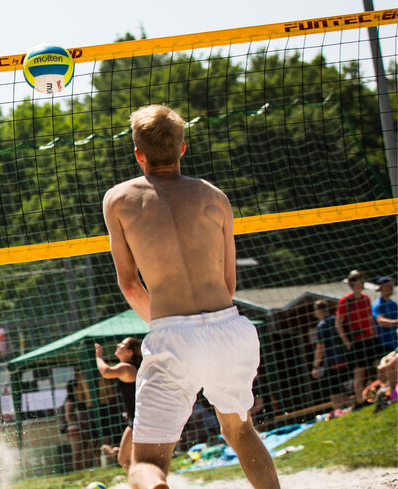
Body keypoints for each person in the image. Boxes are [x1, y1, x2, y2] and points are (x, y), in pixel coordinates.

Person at [102, 104, 280, 489]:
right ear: (183, 148)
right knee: (240, 431)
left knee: (145, 461)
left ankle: (157, 484)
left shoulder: (119, 199)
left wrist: (170, 329)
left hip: (173, 333)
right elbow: (228, 283)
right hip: (231, 329)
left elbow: (130, 284)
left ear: (138, 154)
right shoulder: (215, 197)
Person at [336, 270, 386, 403]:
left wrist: (374, 334)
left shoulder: (365, 298)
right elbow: (338, 324)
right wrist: (346, 342)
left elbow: (370, 318)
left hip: (370, 339)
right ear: (353, 283)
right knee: (360, 373)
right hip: (356, 341)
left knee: (380, 366)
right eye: (360, 280)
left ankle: (384, 392)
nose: (363, 282)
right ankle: (360, 402)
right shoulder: (345, 301)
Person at [94, 337, 142, 471]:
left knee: (124, 459)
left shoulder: (126, 367)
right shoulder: (133, 367)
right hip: (141, 418)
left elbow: (106, 372)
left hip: (140, 420)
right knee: (133, 459)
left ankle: (141, 484)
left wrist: (98, 357)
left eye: (122, 344)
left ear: (129, 352)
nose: (118, 345)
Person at [311, 299, 352, 411]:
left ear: (317, 311)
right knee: (343, 390)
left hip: (332, 362)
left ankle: (340, 413)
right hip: (347, 359)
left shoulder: (322, 325)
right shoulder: (336, 320)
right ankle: (352, 407)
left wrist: (315, 365)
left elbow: (320, 347)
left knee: (335, 394)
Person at [373, 277, 397, 350]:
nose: (391, 288)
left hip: (395, 342)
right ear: (381, 287)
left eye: (392, 286)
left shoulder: (393, 303)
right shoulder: (378, 304)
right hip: (384, 344)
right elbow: (381, 321)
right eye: (388, 286)